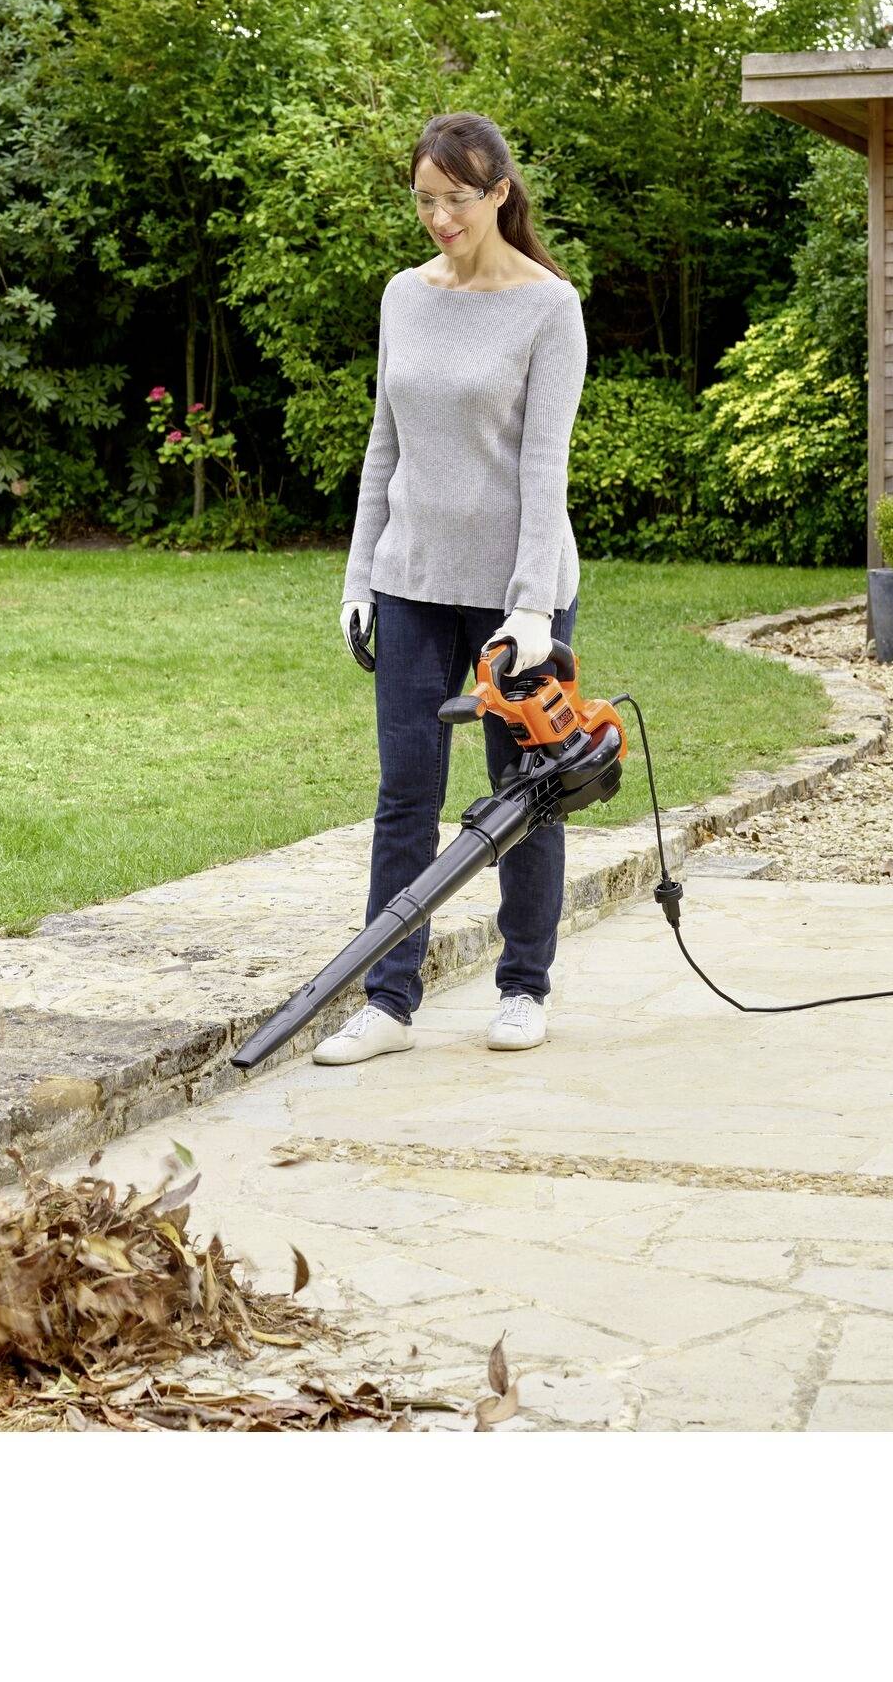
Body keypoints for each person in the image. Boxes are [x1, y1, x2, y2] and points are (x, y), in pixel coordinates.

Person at [313, 111, 588, 1068]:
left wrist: (532, 607)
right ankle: (387, 1002)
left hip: (516, 594)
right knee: (404, 796)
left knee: (525, 791)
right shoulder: (404, 296)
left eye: (456, 200)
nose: (439, 218)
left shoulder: (550, 307)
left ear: (499, 193)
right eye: (424, 200)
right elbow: (383, 446)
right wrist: (360, 577)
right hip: (411, 582)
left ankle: (524, 987)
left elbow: (544, 468)